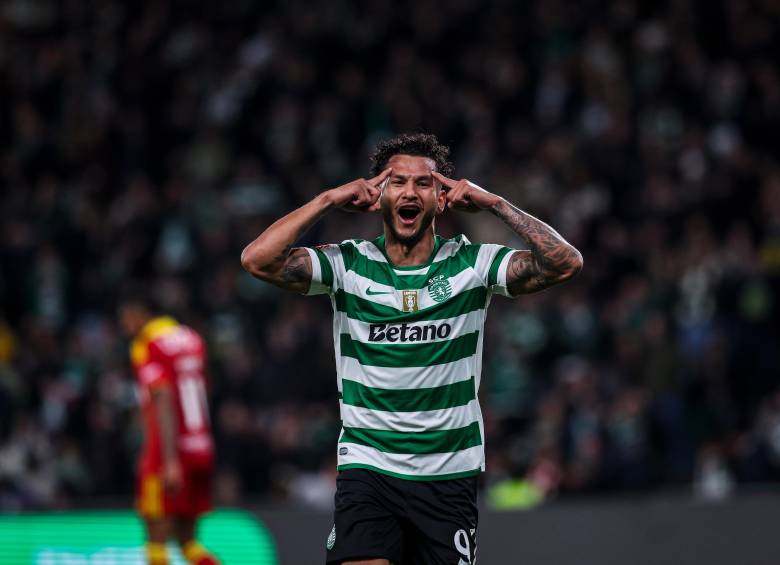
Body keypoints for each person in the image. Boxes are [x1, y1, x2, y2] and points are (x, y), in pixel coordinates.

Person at [241, 133, 583, 565]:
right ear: (378, 195)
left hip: (448, 475)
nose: (409, 192)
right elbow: (257, 259)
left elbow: (565, 263)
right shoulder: (348, 264)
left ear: (441, 198)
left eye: (423, 184)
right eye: (397, 182)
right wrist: (328, 199)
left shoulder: (472, 266)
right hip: (369, 469)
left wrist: (495, 204)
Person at [118, 290, 220, 565]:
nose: (124, 325)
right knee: (189, 542)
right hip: (200, 445)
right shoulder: (192, 338)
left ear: (139, 313)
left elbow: (161, 396)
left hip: (167, 452)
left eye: (125, 317)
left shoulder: (148, 343)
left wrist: (170, 460)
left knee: (156, 538)